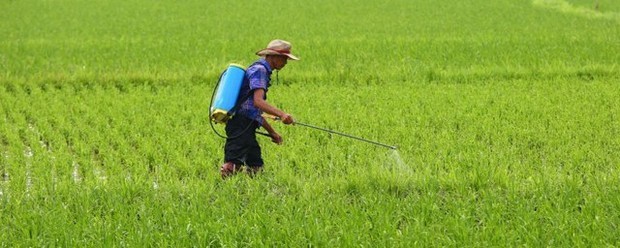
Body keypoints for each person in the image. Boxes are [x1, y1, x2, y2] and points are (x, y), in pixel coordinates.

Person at [220, 39, 298, 178]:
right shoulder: (260, 70)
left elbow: (253, 112)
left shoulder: (260, 69)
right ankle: (224, 192)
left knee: (256, 164)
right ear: (273, 56)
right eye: (284, 59)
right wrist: (282, 114)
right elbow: (258, 102)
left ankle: (253, 191)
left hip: (246, 124)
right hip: (241, 125)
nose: (285, 63)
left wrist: (272, 132)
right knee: (232, 166)